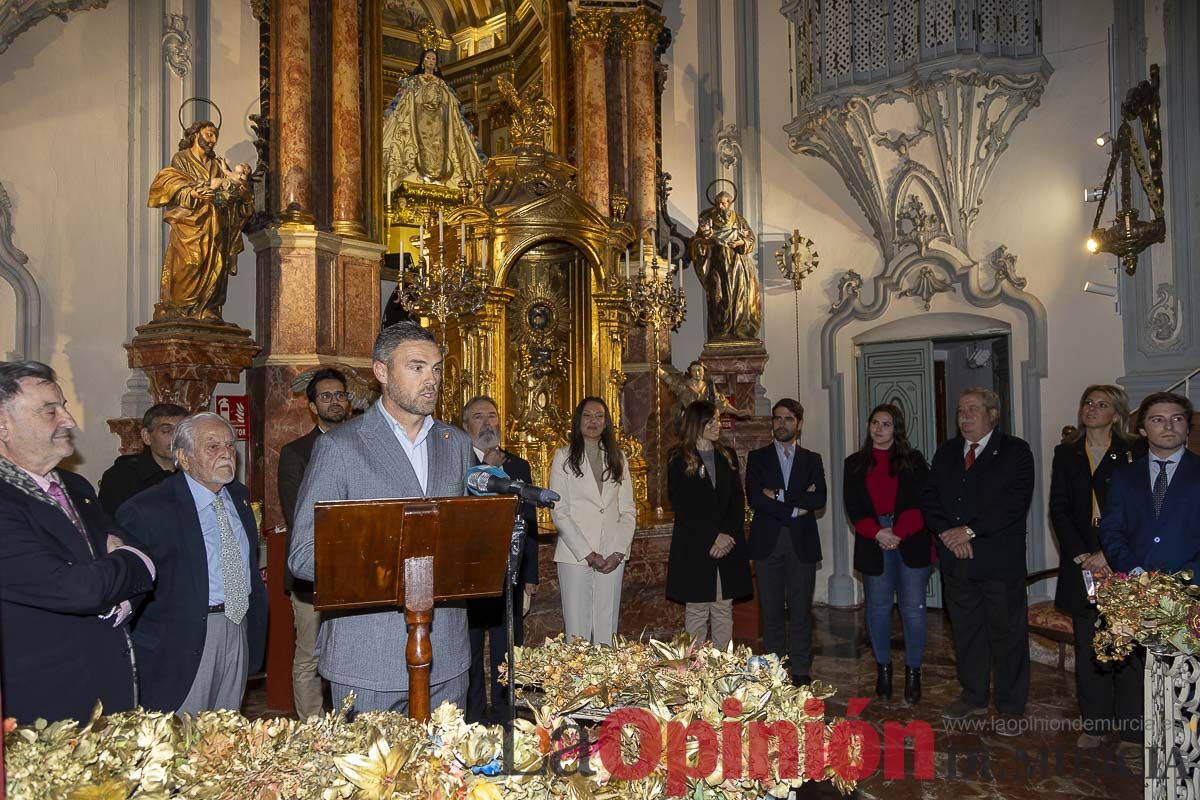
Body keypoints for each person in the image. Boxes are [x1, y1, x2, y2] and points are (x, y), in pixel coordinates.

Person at [288, 321, 474, 715]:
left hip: (447, 657)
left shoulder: (455, 443)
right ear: (382, 372)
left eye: (437, 368)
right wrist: (389, 565)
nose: (432, 380)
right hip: (368, 656)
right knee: (375, 777)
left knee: (448, 775)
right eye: (417, 367)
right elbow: (303, 554)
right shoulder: (341, 446)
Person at [0, 361, 155, 723]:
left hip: (109, 693)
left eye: (64, 407)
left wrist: (117, 589)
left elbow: (144, 556)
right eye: (50, 411)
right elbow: (76, 590)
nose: (69, 420)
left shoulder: (76, 487)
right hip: (42, 711)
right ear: (3, 425)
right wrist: (128, 564)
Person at [117, 413, 267, 714]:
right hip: (181, 637)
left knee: (225, 735)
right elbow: (130, 588)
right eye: (212, 446)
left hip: (237, 625)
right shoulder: (148, 509)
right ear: (184, 458)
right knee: (182, 737)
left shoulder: (239, 498)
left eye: (229, 444)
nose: (226, 452)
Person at [922, 387, 1034, 732]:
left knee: (1007, 634)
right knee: (966, 633)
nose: (964, 416)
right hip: (956, 560)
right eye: (960, 410)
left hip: (998, 561)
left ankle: (1011, 707)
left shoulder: (1015, 451)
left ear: (993, 415)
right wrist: (947, 533)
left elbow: (1014, 503)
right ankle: (972, 696)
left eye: (972, 409)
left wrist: (969, 531)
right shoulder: (946, 452)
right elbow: (930, 499)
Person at [1049, 384, 1143, 749]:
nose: (1092, 409)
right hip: (1081, 560)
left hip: (1121, 558)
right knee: (1090, 648)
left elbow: (1140, 510)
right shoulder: (1066, 452)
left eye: (1102, 404)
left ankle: (1133, 730)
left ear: (1116, 413)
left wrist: (1108, 553)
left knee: (1127, 647)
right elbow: (1057, 508)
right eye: (1088, 402)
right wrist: (1080, 555)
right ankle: (1096, 724)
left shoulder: (1135, 450)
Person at [842, 404, 933, 704]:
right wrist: (879, 533)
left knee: (913, 609)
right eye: (875, 423)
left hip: (910, 537)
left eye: (886, 424)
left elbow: (924, 503)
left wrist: (898, 533)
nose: (879, 428)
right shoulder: (854, 463)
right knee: (878, 609)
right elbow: (854, 508)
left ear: (897, 429)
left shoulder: (914, 461)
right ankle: (883, 670)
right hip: (874, 538)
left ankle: (913, 673)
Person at [277, 368, 352, 719]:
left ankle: (352, 723)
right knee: (310, 654)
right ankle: (314, 731)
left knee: (353, 650)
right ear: (311, 406)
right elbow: (300, 517)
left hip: (358, 573)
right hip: (314, 573)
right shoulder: (296, 453)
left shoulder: (362, 444)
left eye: (339, 395)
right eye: (326, 396)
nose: (335, 401)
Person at [460, 395, 539, 724]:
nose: (487, 423)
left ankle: (507, 716)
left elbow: (530, 521)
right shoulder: (458, 463)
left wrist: (530, 575)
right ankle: (474, 717)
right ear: (466, 427)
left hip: (509, 571)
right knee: (471, 651)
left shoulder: (518, 466)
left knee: (508, 649)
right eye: (479, 417)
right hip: (469, 572)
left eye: (492, 416)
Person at [745, 398, 827, 686]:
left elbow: (820, 499)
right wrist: (795, 505)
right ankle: (774, 668)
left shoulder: (812, 459)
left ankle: (802, 669)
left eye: (788, 418)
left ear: (799, 424)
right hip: (767, 543)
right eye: (777, 419)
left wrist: (777, 496)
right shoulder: (758, 458)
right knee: (771, 610)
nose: (781, 423)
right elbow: (755, 498)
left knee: (801, 610)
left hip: (801, 544)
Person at [549, 397, 636, 646]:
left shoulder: (618, 457)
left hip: (612, 554)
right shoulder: (563, 457)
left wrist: (619, 552)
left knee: (606, 627)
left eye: (599, 416)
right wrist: (588, 553)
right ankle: (577, 685)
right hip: (575, 554)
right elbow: (560, 511)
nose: (593, 421)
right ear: (578, 421)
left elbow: (628, 511)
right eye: (587, 416)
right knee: (577, 630)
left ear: (606, 422)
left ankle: (606, 684)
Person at [147, 119, 253, 323]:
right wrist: (196, 191)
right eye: (209, 134)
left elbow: (233, 190)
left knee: (216, 266)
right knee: (189, 263)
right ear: (196, 134)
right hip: (190, 225)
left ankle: (208, 308)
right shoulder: (182, 159)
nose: (213, 140)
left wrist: (237, 196)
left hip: (216, 225)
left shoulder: (217, 165)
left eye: (215, 136)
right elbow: (173, 183)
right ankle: (180, 308)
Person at [665, 400, 750, 651]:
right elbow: (682, 506)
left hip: (727, 545)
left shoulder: (727, 455)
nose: (717, 425)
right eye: (711, 421)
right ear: (696, 423)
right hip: (696, 546)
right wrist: (713, 536)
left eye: (717, 420)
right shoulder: (678, 458)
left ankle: (723, 668)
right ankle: (695, 672)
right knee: (697, 611)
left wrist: (728, 535)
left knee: (723, 609)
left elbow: (737, 499)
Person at [1100, 390, 1200, 579]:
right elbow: (1112, 531)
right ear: (1143, 430)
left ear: (1187, 427)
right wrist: (1136, 573)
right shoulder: (1124, 476)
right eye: (1157, 420)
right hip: (1137, 589)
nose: (1169, 426)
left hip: (1192, 591)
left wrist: (1184, 579)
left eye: (1177, 419)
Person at [383, 49, 484, 188]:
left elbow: (454, 105)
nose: (431, 61)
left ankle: (444, 180)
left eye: (433, 59)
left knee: (440, 150)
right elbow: (401, 99)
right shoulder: (414, 81)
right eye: (428, 58)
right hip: (419, 121)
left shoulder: (442, 84)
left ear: (436, 64)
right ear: (423, 61)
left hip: (439, 124)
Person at [689, 190, 762, 342]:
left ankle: (739, 330)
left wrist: (740, 242)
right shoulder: (707, 218)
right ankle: (721, 331)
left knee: (739, 296)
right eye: (717, 203)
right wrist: (708, 241)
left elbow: (751, 240)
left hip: (738, 265)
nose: (720, 206)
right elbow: (696, 242)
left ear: (729, 203)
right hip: (718, 263)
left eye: (723, 203)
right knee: (718, 296)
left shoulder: (738, 220)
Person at [98, 403, 188, 516]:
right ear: (147, 436)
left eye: (181, 432)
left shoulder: (195, 473)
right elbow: (109, 526)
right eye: (166, 431)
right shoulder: (121, 477)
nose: (176, 438)